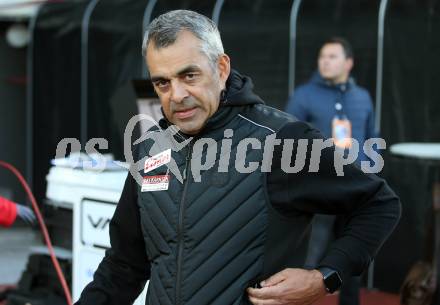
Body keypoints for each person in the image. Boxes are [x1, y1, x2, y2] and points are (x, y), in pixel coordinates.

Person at [75, 10, 400, 305]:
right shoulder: (150, 151)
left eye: (189, 76)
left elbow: (379, 204)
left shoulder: (280, 140)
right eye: (162, 82)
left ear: (221, 67)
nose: (176, 95)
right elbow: (124, 265)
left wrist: (325, 277)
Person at [285, 37, 377, 305]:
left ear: (349, 63)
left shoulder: (362, 97)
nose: (325, 61)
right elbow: (288, 139)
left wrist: (369, 176)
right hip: (319, 189)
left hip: (355, 190)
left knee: (353, 255)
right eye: (322, 56)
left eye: (332, 56)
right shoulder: (304, 95)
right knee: (310, 256)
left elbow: (372, 138)